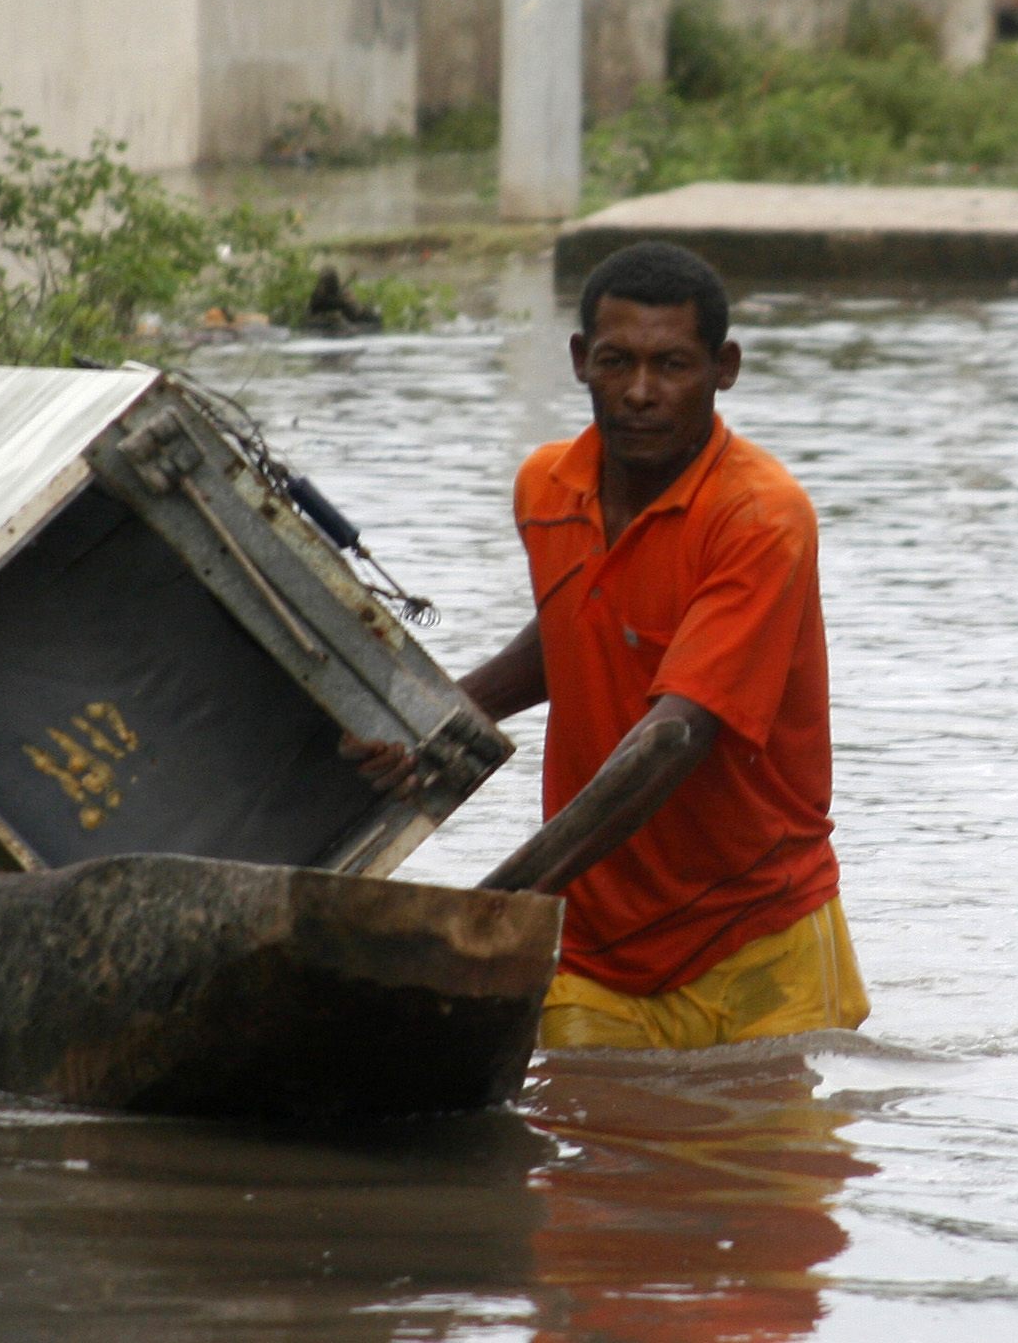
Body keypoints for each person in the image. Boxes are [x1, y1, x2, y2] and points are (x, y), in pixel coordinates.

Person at [357, 241, 865, 1050]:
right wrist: (439, 719)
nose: (640, 392)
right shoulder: (546, 488)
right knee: (583, 1164)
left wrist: (500, 899)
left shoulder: (760, 518)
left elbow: (675, 738)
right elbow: (578, 628)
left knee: (761, 1168)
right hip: (592, 946)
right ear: (578, 362)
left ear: (724, 368)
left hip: (755, 933)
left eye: (672, 365)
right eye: (615, 362)